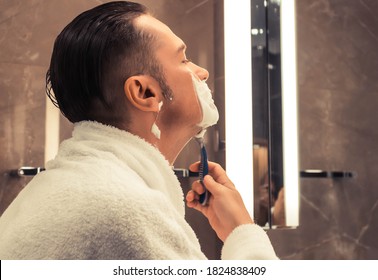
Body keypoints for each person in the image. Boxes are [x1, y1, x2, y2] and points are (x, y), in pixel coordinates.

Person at [0, 1, 278, 260]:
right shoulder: (125, 211)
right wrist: (242, 230)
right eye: (183, 60)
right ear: (144, 92)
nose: (202, 71)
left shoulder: (60, 190)